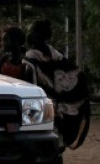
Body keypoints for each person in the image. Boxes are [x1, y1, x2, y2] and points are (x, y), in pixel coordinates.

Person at [24, 19, 91, 152]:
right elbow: (77, 77)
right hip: (56, 111)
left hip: (37, 107)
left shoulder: (29, 59)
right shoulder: (57, 56)